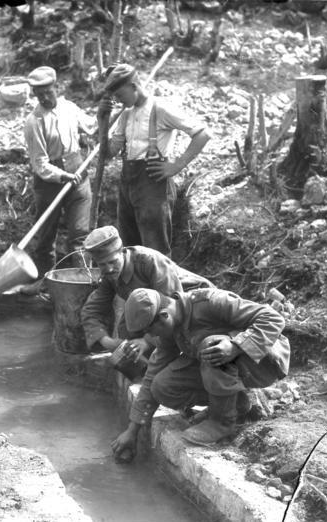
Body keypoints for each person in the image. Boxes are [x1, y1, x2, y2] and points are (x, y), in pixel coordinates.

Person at [111, 287, 290, 459]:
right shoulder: (171, 328)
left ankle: (222, 422)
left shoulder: (212, 301)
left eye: (150, 330)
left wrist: (235, 346)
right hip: (227, 368)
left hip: (263, 364)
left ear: (163, 316)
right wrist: (132, 430)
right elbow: (152, 376)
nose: (151, 336)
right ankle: (236, 404)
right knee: (162, 386)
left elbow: (273, 318)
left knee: (211, 346)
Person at [98, 63, 212, 258]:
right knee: (129, 248)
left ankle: (162, 289)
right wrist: (102, 121)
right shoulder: (126, 114)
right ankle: (136, 289)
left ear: (134, 86)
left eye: (120, 95)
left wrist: (176, 165)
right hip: (128, 185)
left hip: (153, 185)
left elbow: (203, 133)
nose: (117, 100)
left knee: (155, 250)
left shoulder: (160, 108)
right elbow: (109, 153)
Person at [79, 225, 213, 354]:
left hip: (195, 306)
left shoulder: (149, 261)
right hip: (158, 311)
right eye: (102, 264)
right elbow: (92, 309)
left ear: (123, 252)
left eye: (112, 262)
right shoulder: (110, 274)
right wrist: (107, 341)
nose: (108, 269)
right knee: (127, 330)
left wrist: (146, 342)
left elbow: (173, 307)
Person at [24, 65, 96, 285]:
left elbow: (92, 127)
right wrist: (63, 176)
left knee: (80, 235)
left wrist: (106, 114)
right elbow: (40, 163)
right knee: (46, 237)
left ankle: (83, 282)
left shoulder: (70, 108)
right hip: (50, 182)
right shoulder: (34, 122)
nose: (45, 97)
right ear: (34, 94)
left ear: (57, 87)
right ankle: (46, 282)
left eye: (49, 91)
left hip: (78, 173)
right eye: (40, 94)